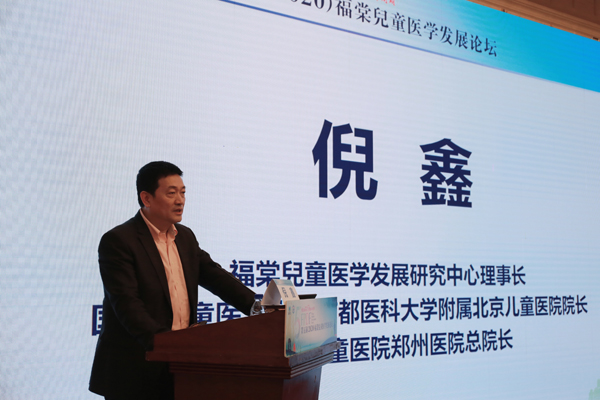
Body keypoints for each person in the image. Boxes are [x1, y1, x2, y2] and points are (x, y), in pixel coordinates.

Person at [89, 161, 256, 400]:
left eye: (183, 192)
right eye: (171, 193)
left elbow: (215, 276)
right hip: (134, 371)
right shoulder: (119, 241)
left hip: (181, 367)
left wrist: (257, 307)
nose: (180, 200)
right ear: (146, 198)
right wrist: (169, 344)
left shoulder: (184, 237)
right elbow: (126, 304)